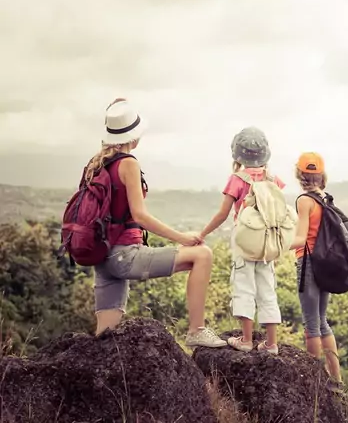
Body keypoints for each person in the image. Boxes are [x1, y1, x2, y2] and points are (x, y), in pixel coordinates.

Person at [91, 98, 226, 349]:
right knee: (202, 255)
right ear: (134, 137)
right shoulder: (128, 163)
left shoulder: (98, 163)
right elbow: (140, 216)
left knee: (104, 340)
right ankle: (196, 330)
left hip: (103, 258)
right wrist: (181, 237)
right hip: (125, 257)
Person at [200, 127, 285, 354]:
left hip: (244, 242)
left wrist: (202, 234)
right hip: (267, 244)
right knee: (267, 289)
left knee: (244, 287)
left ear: (237, 154)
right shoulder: (273, 179)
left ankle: (246, 340)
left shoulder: (236, 180)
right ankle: (271, 344)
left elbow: (222, 214)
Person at [291, 152, 343, 390]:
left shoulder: (304, 200)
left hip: (309, 264)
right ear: (321, 174)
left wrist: (275, 245)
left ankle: (315, 382)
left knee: (311, 323)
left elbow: (301, 238)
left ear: (300, 174)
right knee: (323, 322)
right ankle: (336, 380)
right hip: (327, 265)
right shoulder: (326, 198)